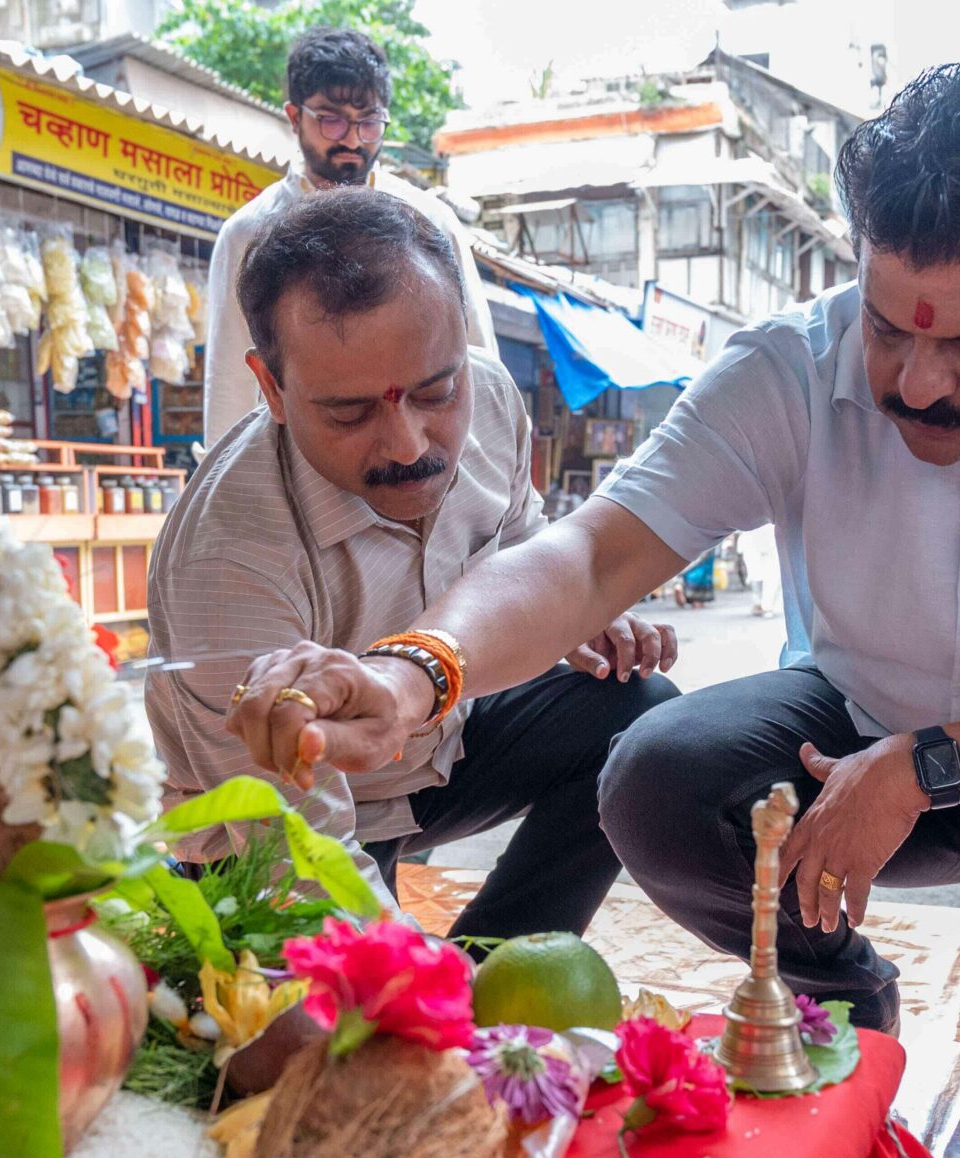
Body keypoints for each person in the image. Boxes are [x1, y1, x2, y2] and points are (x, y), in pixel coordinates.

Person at [220, 61, 960, 1158]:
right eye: (888, 326)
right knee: (652, 773)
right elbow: (593, 551)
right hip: (852, 725)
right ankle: (841, 1001)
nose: (914, 382)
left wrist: (920, 766)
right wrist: (418, 669)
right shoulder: (789, 367)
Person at [147, 191, 676, 939]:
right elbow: (301, 857)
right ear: (270, 388)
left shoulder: (492, 397)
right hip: (265, 829)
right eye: (349, 414)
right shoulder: (227, 556)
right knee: (300, 1027)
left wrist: (568, 625)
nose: (408, 444)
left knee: (641, 711)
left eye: (435, 391)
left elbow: (527, 550)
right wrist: (414, 1011)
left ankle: (501, 970)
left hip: (441, 748)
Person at [202, 26, 496, 449]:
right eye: (332, 120)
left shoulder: (430, 221)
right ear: (293, 117)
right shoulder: (248, 234)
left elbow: (478, 362)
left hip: (418, 462)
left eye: (369, 122)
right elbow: (229, 381)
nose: (353, 139)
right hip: (296, 480)